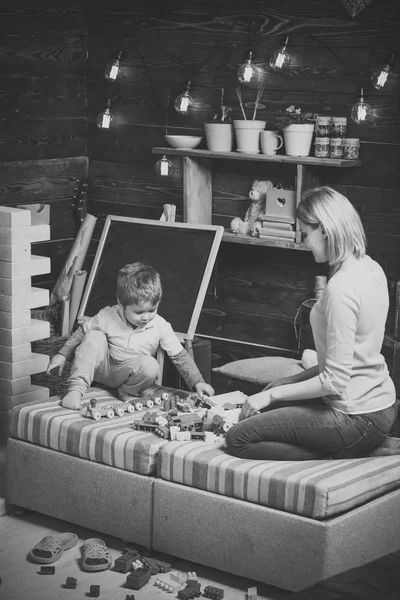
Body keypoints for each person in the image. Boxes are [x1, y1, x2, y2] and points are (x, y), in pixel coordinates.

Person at [225, 186, 397, 460]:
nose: (303, 241)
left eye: (305, 233)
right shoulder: (369, 266)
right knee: (271, 396)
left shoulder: (342, 288)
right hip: (380, 405)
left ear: (325, 230)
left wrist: (271, 397)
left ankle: (339, 453)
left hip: (354, 415)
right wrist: (288, 381)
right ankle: (366, 444)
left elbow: (335, 381)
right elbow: (347, 360)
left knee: (238, 438)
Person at [47, 262, 214, 410]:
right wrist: (62, 354)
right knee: (93, 336)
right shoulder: (107, 315)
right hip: (103, 366)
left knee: (150, 365)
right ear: (121, 304)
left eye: (152, 310)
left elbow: (179, 356)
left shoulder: (160, 325)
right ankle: (76, 390)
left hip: (128, 374)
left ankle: (126, 391)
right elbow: (81, 332)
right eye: (139, 312)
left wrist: (197, 381)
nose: (146, 317)